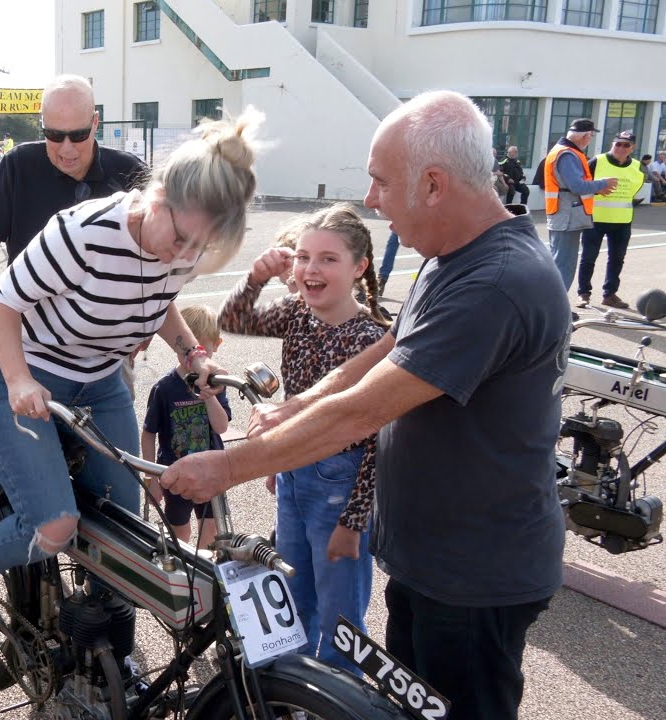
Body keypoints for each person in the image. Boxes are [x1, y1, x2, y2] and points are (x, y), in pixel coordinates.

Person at [161, 91, 568, 720]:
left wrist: (228, 467)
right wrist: (299, 408)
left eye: (381, 181)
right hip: (429, 561)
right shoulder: (449, 259)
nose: (372, 199)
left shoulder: (494, 283)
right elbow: (379, 356)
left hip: (472, 578)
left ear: (433, 184)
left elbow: (363, 413)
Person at [0, 112, 261, 660]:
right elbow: (2, 303)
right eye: (181, 239)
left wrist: (192, 355)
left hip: (98, 379)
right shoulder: (84, 232)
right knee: (56, 522)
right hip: (13, 369)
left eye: (198, 250)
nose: (183, 257)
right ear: (157, 197)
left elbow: (159, 303)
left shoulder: (181, 246)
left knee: (128, 531)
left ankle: (100, 644)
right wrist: (19, 379)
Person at [218, 203, 389, 674]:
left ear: (359, 268)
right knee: (291, 597)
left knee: (339, 616)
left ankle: (338, 696)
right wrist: (254, 277)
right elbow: (232, 320)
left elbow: (375, 440)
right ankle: (289, 694)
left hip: (342, 484)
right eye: (303, 257)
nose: (311, 269)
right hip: (295, 475)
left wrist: (353, 523)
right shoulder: (297, 313)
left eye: (329, 259)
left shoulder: (372, 338)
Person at [0, 75, 146, 345]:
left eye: (78, 135)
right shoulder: (17, 166)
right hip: (27, 340)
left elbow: (158, 259)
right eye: (54, 135)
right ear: (42, 124)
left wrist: (144, 326)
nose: (67, 148)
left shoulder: (131, 174)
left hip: (103, 347)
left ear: (95, 123)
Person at [141, 305, 231, 548]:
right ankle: (184, 572)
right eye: (186, 354)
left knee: (211, 529)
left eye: (203, 351)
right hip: (175, 473)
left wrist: (210, 396)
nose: (193, 362)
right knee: (178, 531)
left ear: (217, 346)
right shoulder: (165, 388)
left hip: (212, 470)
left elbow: (221, 427)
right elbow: (149, 433)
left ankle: (200, 570)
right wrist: (151, 478)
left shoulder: (217, 384)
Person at [543, 118, 618, 293]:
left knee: (558, 262)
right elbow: (576, 186)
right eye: (591, 136)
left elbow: (570, 187)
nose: (590, 140)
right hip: (567, 216)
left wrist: (597, 189)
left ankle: (553, 310)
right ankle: (557, 312)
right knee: (564, 265)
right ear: (585, 136)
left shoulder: (561, 151)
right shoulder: (568, 154)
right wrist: (601, 183)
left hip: (562, 214)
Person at [576, 130, 645, 310]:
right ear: (612, 144)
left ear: (632, 148)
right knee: (588, 257)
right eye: (618, 144)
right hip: (595, 219)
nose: (621, 148)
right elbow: (581, 186)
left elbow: (635, 190)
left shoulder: (637, 167)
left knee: (617, 259)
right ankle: (584, 294)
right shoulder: (597, 161)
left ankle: (610, 294)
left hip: (622, 221)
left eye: (626, 145)